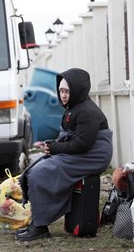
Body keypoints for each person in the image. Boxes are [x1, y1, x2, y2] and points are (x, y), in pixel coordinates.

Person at [16, 68, 113, 241]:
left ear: (77, 90)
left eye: (67, 91)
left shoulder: (87, 112)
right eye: (61, 91)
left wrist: (55, 149)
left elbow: (83, 144)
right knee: (34, 169)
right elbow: (70, 138)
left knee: (41, 173)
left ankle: (40, 227)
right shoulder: (72, 108)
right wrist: (53, 146)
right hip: (83, 152)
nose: (63, 95)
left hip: (93, 156)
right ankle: (37, 222)